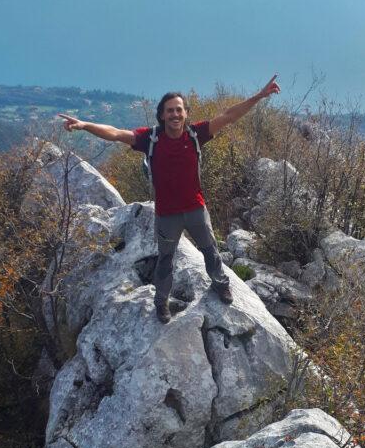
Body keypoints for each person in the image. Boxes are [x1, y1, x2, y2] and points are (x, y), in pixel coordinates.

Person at [58, 75, 280, 322]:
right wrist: (84, 124)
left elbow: (229, 116)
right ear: (162, 115)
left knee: (210, 250)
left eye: (179, 110)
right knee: (165, 260)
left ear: (186, 113)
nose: (175, 115)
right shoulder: (150, 138)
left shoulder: (196, 134)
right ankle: (161, 302)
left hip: (196, 208)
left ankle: (220, 284)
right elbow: (116, 133)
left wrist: (259, 97)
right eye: (169, 111)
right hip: (166, 215)